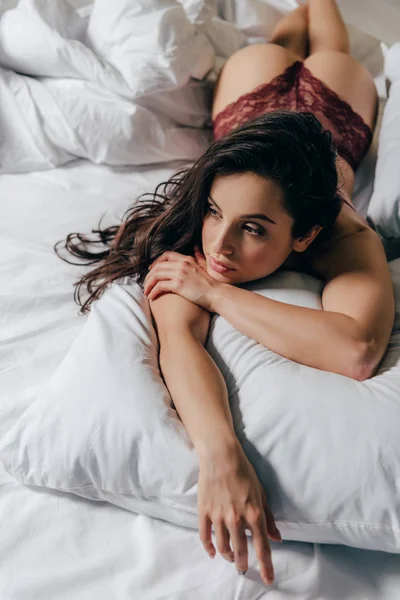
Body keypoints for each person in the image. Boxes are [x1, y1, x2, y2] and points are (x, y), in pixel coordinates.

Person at [56, 0, 395, 588]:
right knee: (274, 45)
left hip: (334, 119)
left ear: (304, 236)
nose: (220, 246)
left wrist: (217, 294)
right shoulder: (200, 221)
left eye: (255, 229)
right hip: (250, 114)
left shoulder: (343, 236)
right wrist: (219, 453)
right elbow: (177, 339)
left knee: (333, 55)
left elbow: (357, 351)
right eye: (216, 213)